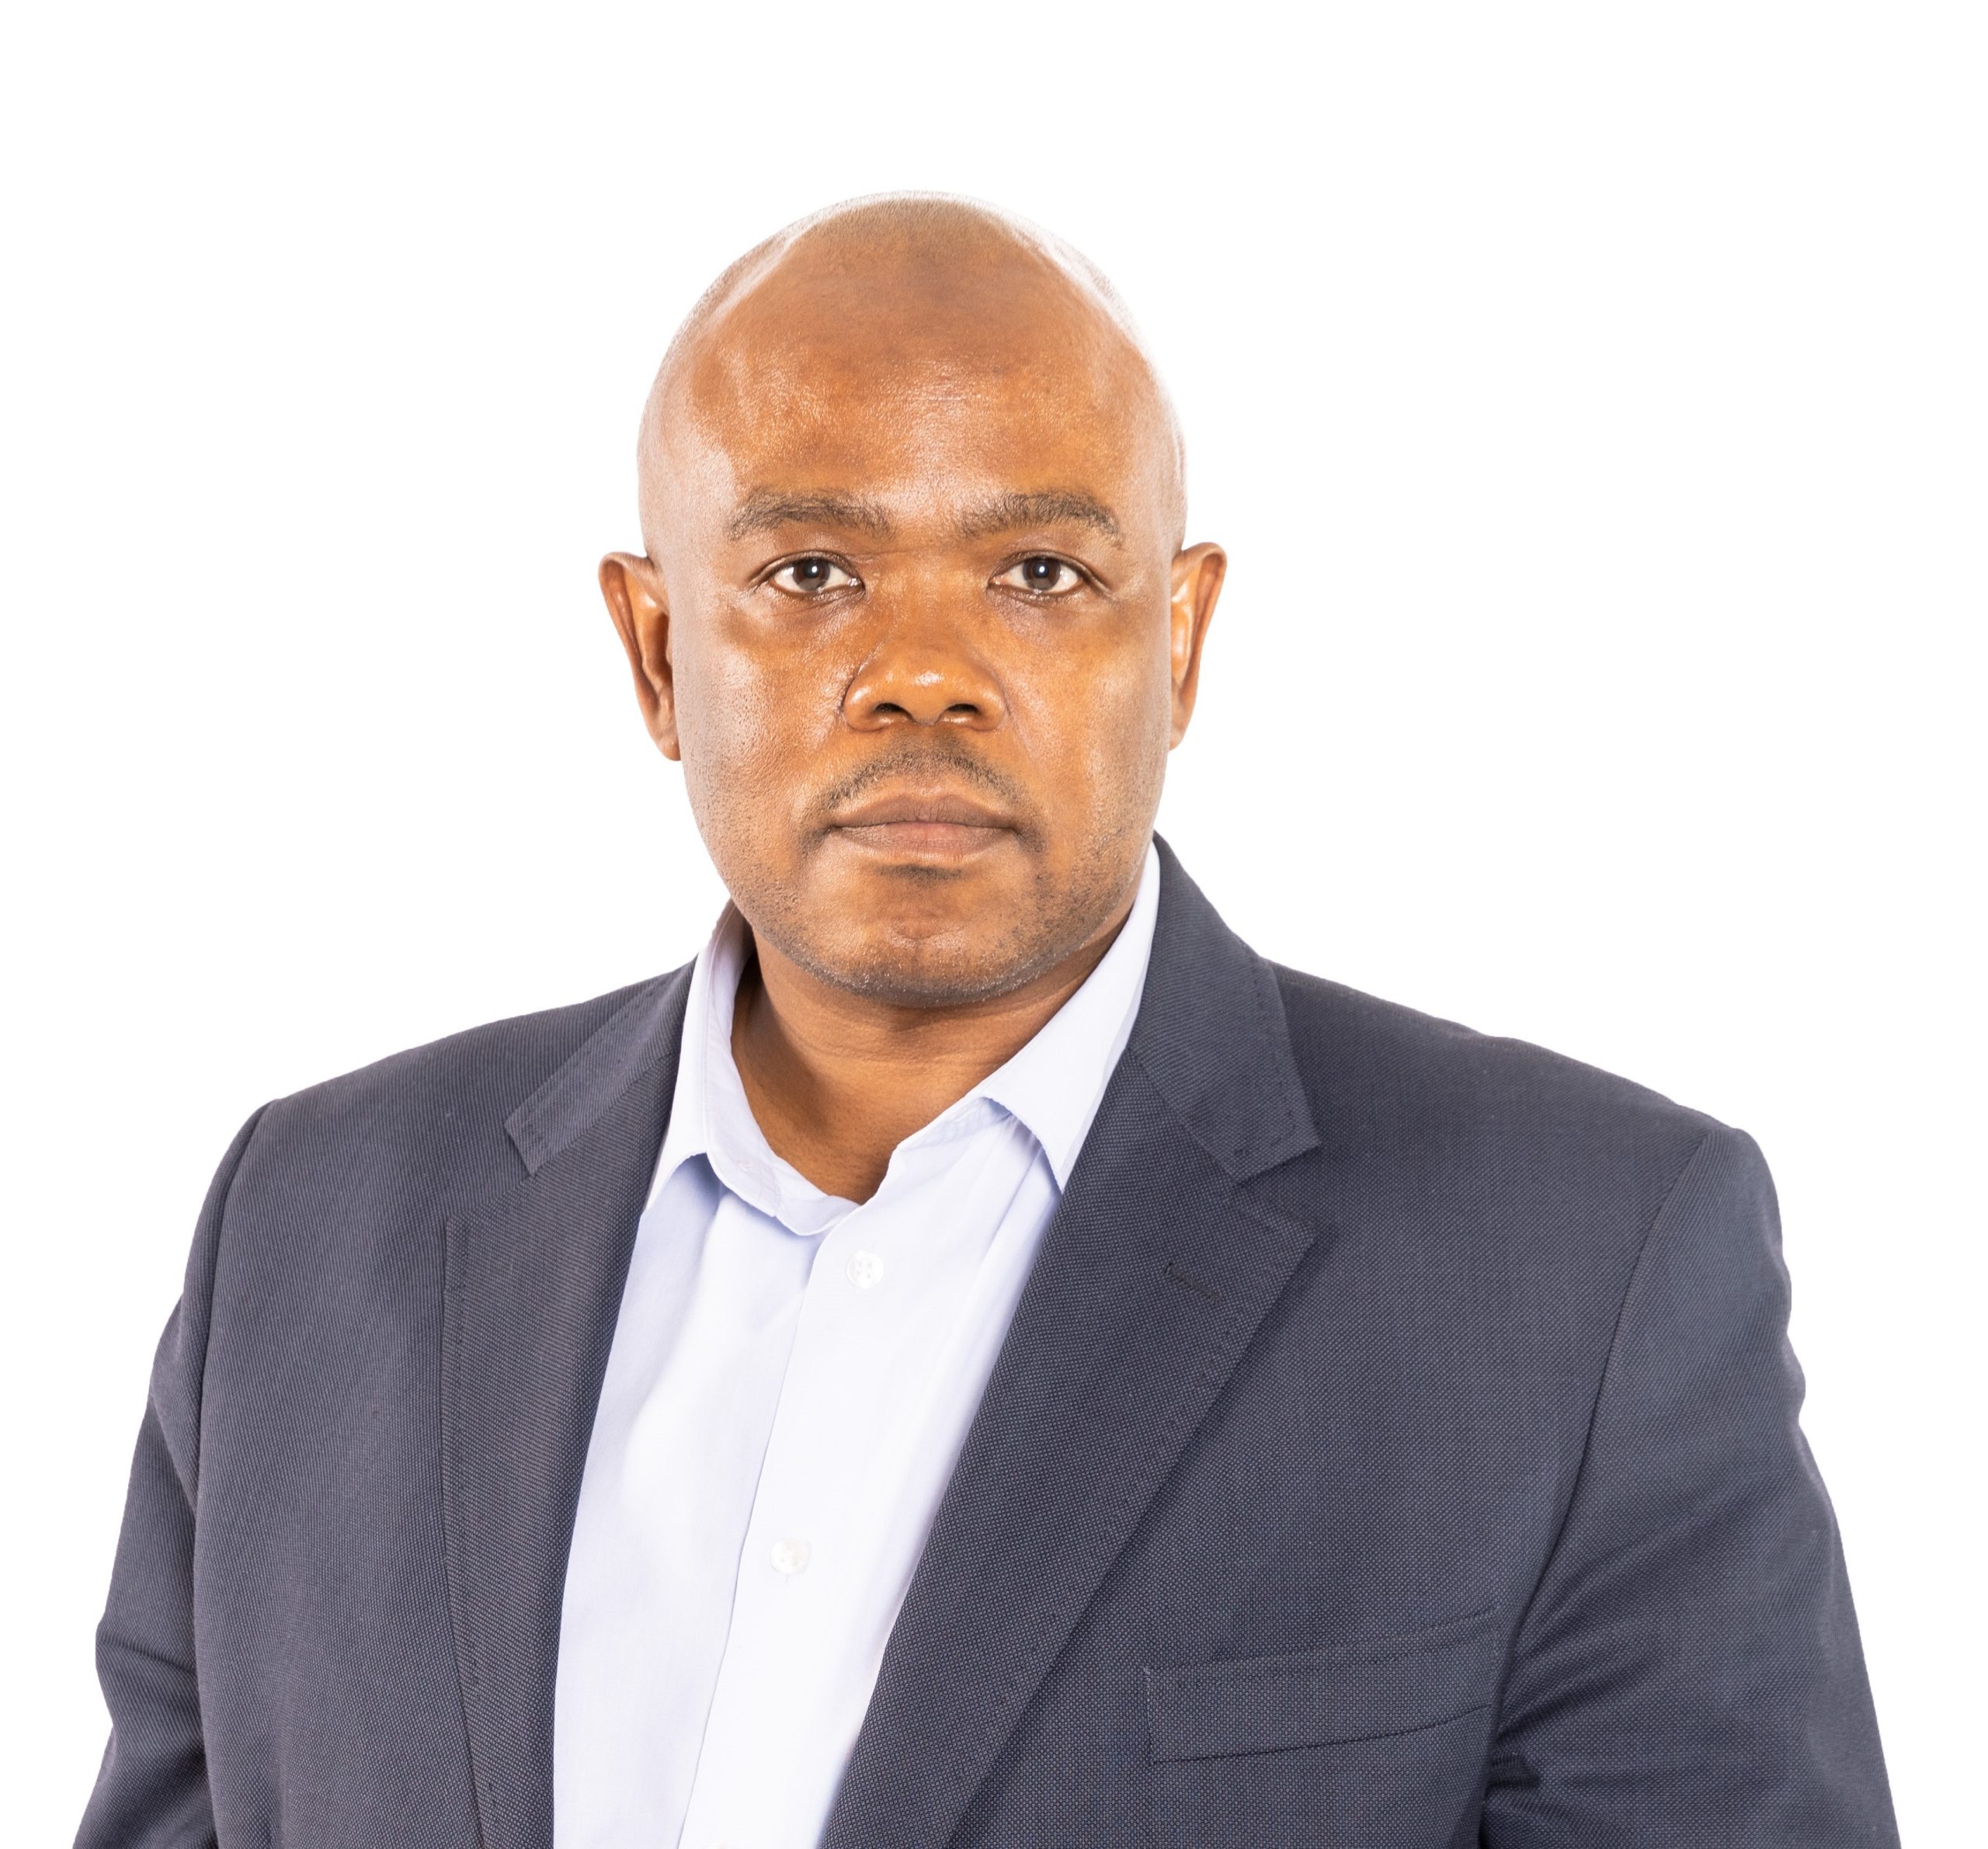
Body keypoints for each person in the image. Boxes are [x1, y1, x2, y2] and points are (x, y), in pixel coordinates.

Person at [78, 193, 1899, 1849]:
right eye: (810, 574)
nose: (924, 674)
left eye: (1038, 573)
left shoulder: (1578, 1273)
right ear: (654, 652)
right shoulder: (307, 1231)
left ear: (1176, 640)